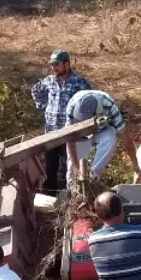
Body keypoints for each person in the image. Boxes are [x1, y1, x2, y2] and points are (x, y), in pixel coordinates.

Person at [30, 50, 92, 192]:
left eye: (57, 64)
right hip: (51, 132)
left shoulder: (79, 83)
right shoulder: (49, 80)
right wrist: (43, 106)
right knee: (49, 169)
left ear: (67, 64)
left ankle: (68, 198)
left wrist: (81, 120)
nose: (54, 68)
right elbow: (35, 90)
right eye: (52, 65)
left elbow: (90, 100)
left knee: (68, 169)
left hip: (69, 134)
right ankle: (50, 199)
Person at [64, 89, 140, 187]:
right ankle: (72, 189)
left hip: (102, 129)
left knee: (110, 139)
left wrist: (135, 164)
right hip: (80, 133)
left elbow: (124, 136)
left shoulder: (109, 105)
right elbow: (70, 139)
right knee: (72, 166)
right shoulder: (72, 105)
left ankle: (93, 179)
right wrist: (77, 168)